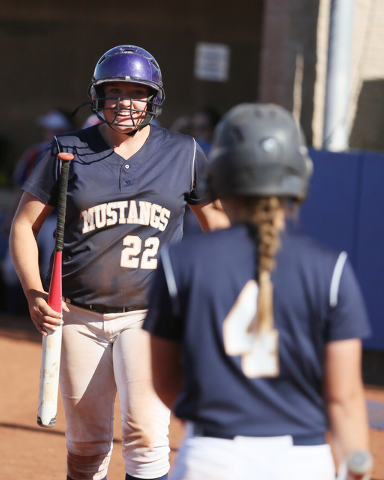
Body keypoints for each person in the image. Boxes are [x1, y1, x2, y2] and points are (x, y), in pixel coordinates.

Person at [9, 45, 229, 480]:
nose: (125, 103)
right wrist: (34, 291)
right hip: (75, 314)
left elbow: (218, 223)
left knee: (147, 438)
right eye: (114, 92)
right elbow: (22, 227)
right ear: (98, 95)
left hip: (150, 316)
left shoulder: (183, 153)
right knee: (87, 447)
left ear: (154, 99)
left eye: (136, 93)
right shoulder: (67, 150)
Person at [143, 103, 373, 480]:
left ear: (218, 175)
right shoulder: (329, 269)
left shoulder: (179, 262)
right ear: (299, 175)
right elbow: (344, 398)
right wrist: (356, 464)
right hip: (303, 462)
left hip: (212, 457)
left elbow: (165, 381)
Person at [2, 109, 74, 313]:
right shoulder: (34, 152)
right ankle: (13, 315)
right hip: (29, 218)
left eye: (54, 128)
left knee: (48, 271)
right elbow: (21, 187)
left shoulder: (73, 150)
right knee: (12, 269)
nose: (49, 132)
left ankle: (43, 314)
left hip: (56, 222)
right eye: (48, 128)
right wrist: (10, 217)